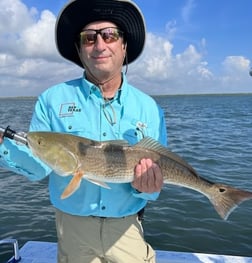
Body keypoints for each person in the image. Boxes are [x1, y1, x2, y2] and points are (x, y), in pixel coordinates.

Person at [0, 0, 167, 262]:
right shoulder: (51, 99)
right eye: (89, 38)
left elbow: (154, 189)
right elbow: (37, 166)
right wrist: (2, 145)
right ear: (79, 49)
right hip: (72, 229)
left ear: (124, 46)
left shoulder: (150, 108)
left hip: (128, 229)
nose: (100, 45)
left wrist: (147, 186)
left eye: (110, 35)